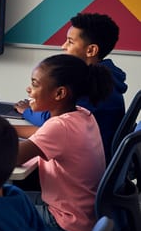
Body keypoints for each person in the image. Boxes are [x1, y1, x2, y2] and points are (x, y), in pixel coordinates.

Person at [14, 53, 113, 231]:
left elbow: (10, 157)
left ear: (59, 93)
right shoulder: (82, 114)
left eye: (35, 84)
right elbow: (40, 133)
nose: (29, 89)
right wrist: (4, 127)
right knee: (7, 196)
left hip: (65, 226)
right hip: (83, 216)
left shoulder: (59, 127)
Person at [16, 12, 126, 158]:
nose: (63, 46)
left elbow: (49, 121)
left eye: (70, 42)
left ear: (91, 50)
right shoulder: (105, 78)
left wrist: (27, 111)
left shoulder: (92, 87)